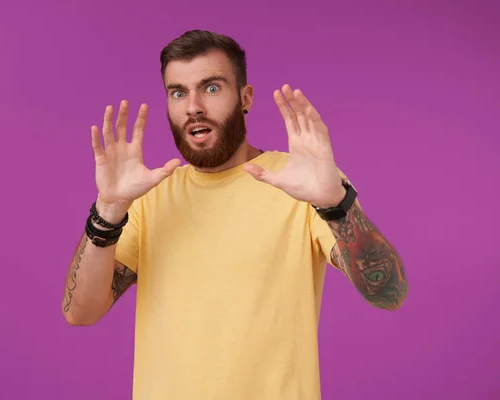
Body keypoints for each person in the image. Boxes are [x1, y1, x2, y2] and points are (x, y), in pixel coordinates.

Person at [61, 29, 408, 400]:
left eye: (211, 88)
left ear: (245, 98)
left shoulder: (303, 184)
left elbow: (389, 292)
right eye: (178, 92)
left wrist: (337, 205)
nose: (193, 106)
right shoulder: (148, 198)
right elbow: (80, 312)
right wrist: (108, 211)